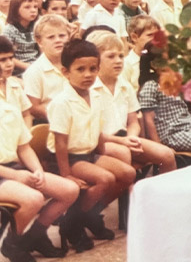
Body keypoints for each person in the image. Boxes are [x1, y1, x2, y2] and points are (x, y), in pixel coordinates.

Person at [47, 40, 136, 252]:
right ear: (65, 72)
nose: (88, 74)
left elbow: (97, 130)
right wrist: (66, 174)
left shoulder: (95, 95)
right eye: (80, 69)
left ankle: (88, 215)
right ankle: (72, 224)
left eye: (92, 69)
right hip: (68, 158)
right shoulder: (61, 102)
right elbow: (60, 143)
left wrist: (103, 155)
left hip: (89, 154)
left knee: (127, 173)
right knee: (104, 179)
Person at [0, 96, 79, 262]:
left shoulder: (9, 110)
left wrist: (38, 171)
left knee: (69, 190)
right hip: (7, 174)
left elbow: (24, 148)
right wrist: (15, 175)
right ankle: (12, 244)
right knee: (34, 199)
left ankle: (34, 237)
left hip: (12, 168)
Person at [85, 31, 176, 174]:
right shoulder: (89, 89)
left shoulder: (124, 85)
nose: (118, 60)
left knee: (166, 155)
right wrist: (123, 142)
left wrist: (131, 137)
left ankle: (163, 194)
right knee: (123, 153)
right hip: (100, 142)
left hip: (124, 137)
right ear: (95, 60)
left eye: (121, 56)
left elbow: (133, 121)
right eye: (111, 56)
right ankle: (128, 195)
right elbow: (91, 132)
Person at [22, 15, 71, 123]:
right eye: (51, 37)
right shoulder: (34, 71)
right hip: (49, 122)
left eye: (62, 36)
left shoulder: (75, 65)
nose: (58, 40)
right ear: (39, 41)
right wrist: (62, 115)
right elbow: (33, 108)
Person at [2, 0, 39, 75]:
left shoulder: (37, 27)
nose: (33, 10)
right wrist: (27, 66)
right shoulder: (9, 30)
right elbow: (6, 55)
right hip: (19, 71)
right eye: (27, 7)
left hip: (36, 65)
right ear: (16, 10)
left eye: (35, 7)